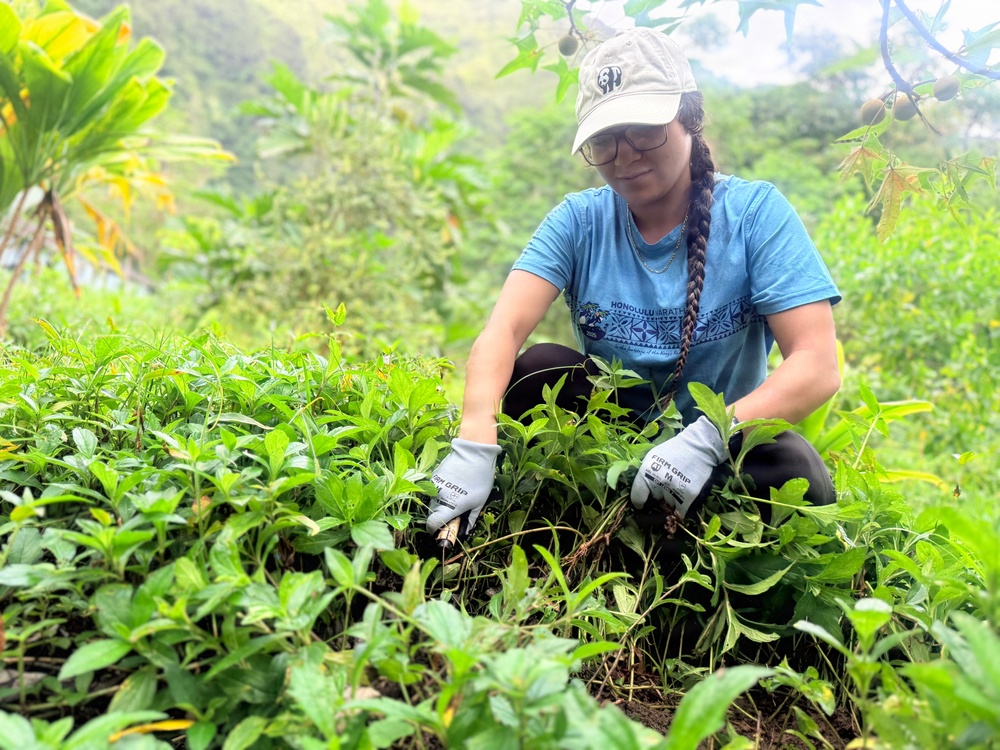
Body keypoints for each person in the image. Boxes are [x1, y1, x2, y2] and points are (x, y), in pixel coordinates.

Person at [426, 27, 841, 537]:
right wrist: (474, 441)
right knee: (537, 370)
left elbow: (818, 364)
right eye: (604, 140)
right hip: (610, 449)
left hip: (718, 451)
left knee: (795, 467)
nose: (624, 156)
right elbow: (503, 332)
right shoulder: (580, 221)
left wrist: (706, 439)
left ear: (689, 117)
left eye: (644, 130)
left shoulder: (756, 214)